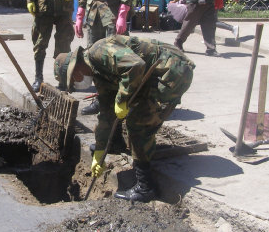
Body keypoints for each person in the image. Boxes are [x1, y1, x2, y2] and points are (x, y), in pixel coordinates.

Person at [54, 35, 195, 202]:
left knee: (139, 123)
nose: (77, 84)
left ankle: (145, 187)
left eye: (73, 80)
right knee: (121, 111)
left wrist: (122, 99)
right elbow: (106, 112)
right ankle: (116, 143)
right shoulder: (98, 74)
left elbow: (135, 65)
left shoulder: (99, 52)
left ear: (76, 68)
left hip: (172, 71)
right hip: (153, 74)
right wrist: (100, 149)